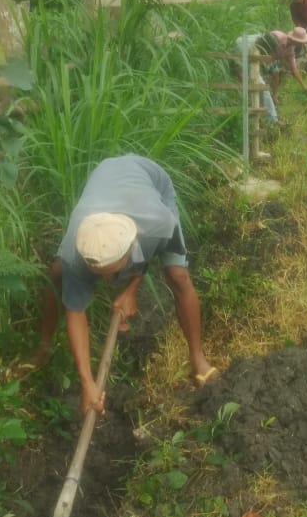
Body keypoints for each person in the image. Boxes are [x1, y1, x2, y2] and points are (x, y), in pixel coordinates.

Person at [33, 155, 218, 414]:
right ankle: (43, 347)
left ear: (131, 249)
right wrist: (87, 384)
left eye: (112, 272)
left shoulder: (158, 224)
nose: (106, 281)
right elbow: (75, 313)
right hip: (105, 183)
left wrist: (131, 291)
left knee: (178, 275)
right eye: (99, 274)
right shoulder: (76, 252)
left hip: (151, 182)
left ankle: (197, 357)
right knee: (56, 274)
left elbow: (150, 255)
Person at [234, 29, 307, 123]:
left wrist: (303, 86)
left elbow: (294, 68)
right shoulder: (276, 37)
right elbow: (261, 46)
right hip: (249, 51)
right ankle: (271, 119)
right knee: (258, 86)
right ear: (295, 40)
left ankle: (268, 106)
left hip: (263, 57)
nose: (301, 44)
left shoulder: (290, 50)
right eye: (300, 42)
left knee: (269, 78)